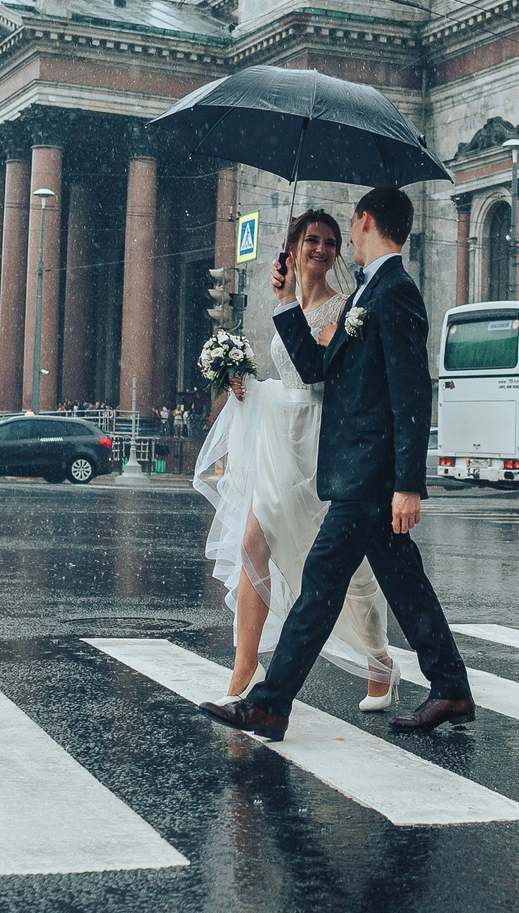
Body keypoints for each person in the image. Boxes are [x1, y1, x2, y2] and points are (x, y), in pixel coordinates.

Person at [199, 187, 474, 740]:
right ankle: (449, 687)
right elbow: (319, 366)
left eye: (348, 226)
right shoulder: (369, 291)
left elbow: (411, 391)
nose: (345, 237)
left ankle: (271, 703)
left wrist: (408, 484)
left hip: (369, 477)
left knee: (322, 583)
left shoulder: (394, 291)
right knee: (405, 583)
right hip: (359, 471)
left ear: (365, 219)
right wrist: (283, 304)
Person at [193, 210, 397, 711]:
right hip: (276, 441)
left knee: (341, 569)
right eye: (312, 240)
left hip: (319, 447)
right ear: (292, 246)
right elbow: (283, 381)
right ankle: (244, 668)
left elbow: (315, 373)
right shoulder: (284, 304)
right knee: (252, 544)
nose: (322, 250)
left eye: (330, 242)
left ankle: (380, 664)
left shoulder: (343, 310)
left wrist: (287, 304)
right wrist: (243, 382)